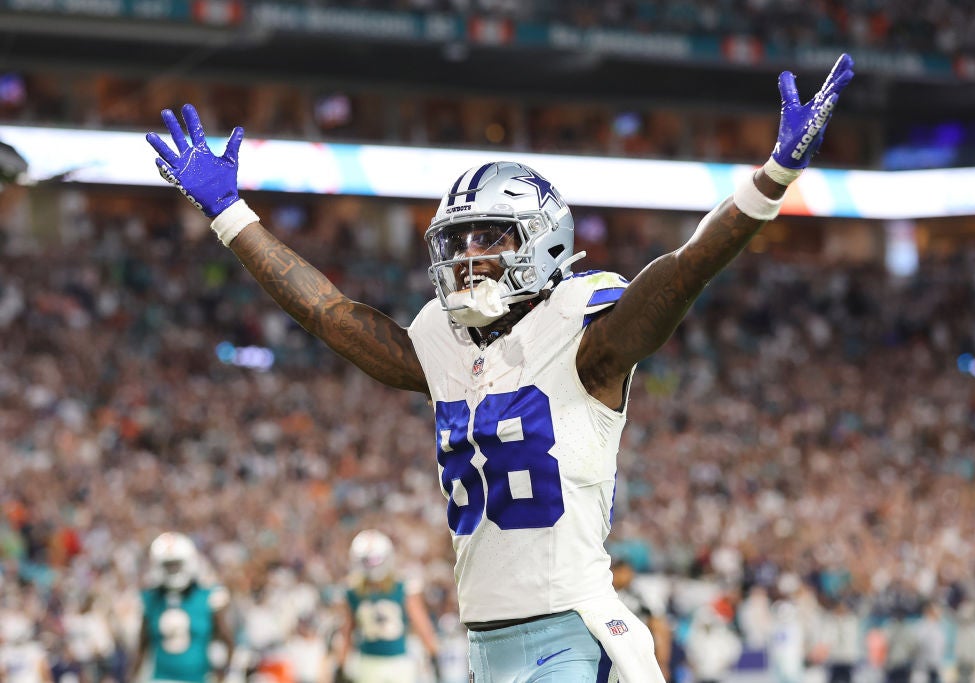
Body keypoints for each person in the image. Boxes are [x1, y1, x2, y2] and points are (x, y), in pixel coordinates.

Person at [146, 52, 854, 682]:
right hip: (484, 642)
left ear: (543, 241)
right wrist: (232, 214)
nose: (469, 257)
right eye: (459, 240)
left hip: (572, 632)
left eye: (489, 237)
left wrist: (771, 180)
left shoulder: (585, 332)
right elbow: (329, 313)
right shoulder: (443, 342)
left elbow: (681, 273)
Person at [129, 532, 236, 683]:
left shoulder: (209, 596)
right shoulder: (150, 599)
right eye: (168, 565)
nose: (173, 570)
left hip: (198, 678)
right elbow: (141, 647)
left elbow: (226, 641)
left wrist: (223, 675)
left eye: (176, 565)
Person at [336, 529, 440, 683]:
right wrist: (433, 654)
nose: (371, 565)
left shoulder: (354, 590)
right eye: (367, 561)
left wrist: (340, 664)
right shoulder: (402, 585)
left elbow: (346, 633)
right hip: (389, 664)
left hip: (378, 664)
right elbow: (422, 626)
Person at [610, 558, 673, 679]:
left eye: (624, 572)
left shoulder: (642, 597)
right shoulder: (607, 595)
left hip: (638, 654)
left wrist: (662, 662)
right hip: (615, 654)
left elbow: (659, 627)